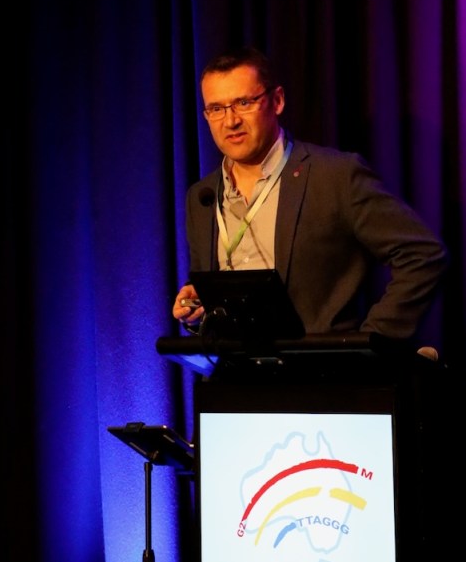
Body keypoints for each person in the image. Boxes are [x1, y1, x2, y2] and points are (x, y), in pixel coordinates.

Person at [172, 47, 448, 343]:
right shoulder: (201, 197)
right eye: (216, 109)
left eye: (243, 103)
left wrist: (371, 342)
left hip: (318, 369)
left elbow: (423, 256)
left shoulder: (335, 176)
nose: (230, 121)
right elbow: (212, 297)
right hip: (234, 369)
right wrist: (199, 307)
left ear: (277, 101)